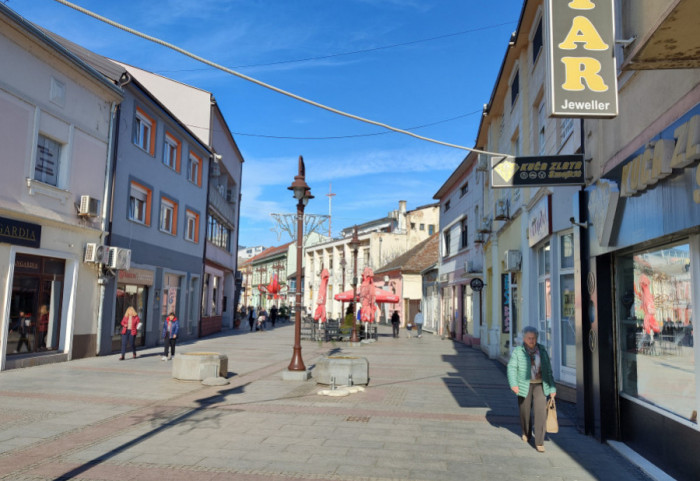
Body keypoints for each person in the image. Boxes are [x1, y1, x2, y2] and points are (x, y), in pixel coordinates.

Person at [507, 326, 557, 453]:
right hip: (524, 385)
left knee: (541, 413)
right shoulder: (518, 351)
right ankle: (526, 432)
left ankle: (539, 442)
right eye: (529, 338)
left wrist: (552, 387)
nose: (531, 340)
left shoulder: (542, 350)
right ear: (524, 339)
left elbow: (548, 371)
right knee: (525, 411)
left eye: (534, 338)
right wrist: (513, 384)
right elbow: (512, 368)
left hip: (540, 384)